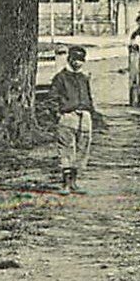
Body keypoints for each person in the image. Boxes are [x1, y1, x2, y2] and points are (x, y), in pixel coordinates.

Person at [50, 45, 96, 193]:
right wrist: (58, 114)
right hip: (68, 116)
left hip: (85, 117)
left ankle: (75, 182)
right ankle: (65, 183)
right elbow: (52, 98)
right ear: (69, 59)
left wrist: (90, 111)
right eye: (74, 59)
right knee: (66, 149)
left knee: (82, 149)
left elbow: (88, 96)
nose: (77, 63)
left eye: (81, 60)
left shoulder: (84, 77)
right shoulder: (60, 78)